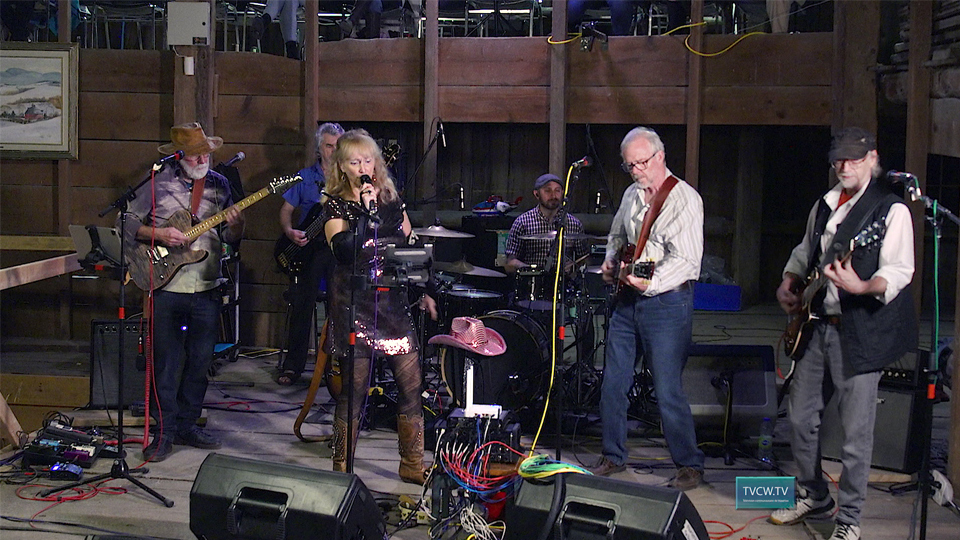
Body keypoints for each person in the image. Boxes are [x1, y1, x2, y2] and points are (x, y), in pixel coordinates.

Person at [771, 127, 917, 540]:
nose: (844, 166)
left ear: (873, 157)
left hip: (863, 330)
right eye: (838, 158)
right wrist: (791, 279)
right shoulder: (825, 204)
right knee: (799, 419)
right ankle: (814, 494)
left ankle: (850, 519)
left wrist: (862, 286)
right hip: (818, 326)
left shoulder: (891, 210)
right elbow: (806, 251)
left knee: (856, 433)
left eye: (854, 158)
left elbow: (899, 271)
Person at [118, 123, 245, 462]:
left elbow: (232, 238)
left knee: (201, 360)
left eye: (207, 152)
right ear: (180, 155)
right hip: (165, 284)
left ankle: (189, 423)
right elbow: (127, 224)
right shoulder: (157, 182)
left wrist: (236, 224)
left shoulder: (219, 186)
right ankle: (164, 432)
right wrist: (159, 234)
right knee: (166, 361)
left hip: (206, 286)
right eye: (196, 153)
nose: (203, 158)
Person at [321, 129, 438, 484]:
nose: (363, 167)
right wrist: (366, 216)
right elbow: (341, 249)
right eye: (355, 162)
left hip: (390, 302)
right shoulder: (334, 202)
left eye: (368, 160)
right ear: (342, 166)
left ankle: (412, 464)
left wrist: (427, 287)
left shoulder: (390, 198)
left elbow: (410, 240)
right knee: (353, 392)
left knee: (411, 384)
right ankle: (342, 468)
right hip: (354, 303)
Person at [591, 127, 704, 491]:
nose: (636, 170)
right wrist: (611, 262)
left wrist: (648, 283)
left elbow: (687, 261)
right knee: (614, 380)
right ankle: (612, 454)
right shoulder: (631, 194)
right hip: (629, 298)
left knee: (667, 386)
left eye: (641, 163)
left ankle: (689, 464)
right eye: (629, 166)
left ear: (659, 157)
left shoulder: (684, 199)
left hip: (667, 301)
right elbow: (617, 236)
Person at [276, 122, 344, 386]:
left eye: (338, 146)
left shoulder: (347, 177)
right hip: (307, 251)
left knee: (341, 305)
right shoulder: (304, 177)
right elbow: (285, 211)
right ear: (319, 148)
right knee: (302, 302)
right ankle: (293, 366)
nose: (333, 150)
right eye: (329, 145)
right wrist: (290, 231)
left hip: (336, 249)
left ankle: (337, 369)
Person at [504, 173, 588, 275]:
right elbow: (510, 263)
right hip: (532, 284)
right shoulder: (522, 222)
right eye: (547, 190)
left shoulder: (574, 224)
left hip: (563, 284)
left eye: (557, 190)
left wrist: (573, 266)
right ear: (536, 194)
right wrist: (532, 270)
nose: (553, 195)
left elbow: (584, 259)